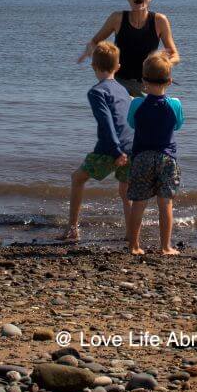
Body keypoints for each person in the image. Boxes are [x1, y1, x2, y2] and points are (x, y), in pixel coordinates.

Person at [59, 41, 134, 242]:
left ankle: (72, 229)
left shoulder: (97, 92)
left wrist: (116, 151)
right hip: (132, 145)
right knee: (125, 191)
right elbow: (128, 120)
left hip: (111, 148)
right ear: (118, 67)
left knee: (77, 179)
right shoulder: (123, 90)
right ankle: (131, 233)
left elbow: (107, 122)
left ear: (93, 66)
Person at [77, 0, 180, 97]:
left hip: (147, 84)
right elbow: (94, 42)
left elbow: (175, 55)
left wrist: (161, 64)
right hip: (119, 83)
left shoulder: (160, 21)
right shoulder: (117, 18)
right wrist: (97, 59)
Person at [125, 52, 184, 255]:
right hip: (166, 158)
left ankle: (133, 246)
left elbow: (131, 123)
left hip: (141, 157)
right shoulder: (175, 104)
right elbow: (178, 125)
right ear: (169, 81)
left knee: (138, 204)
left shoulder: (136, 103)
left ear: (143, 80)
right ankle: (165, 246)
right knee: (165, 203)